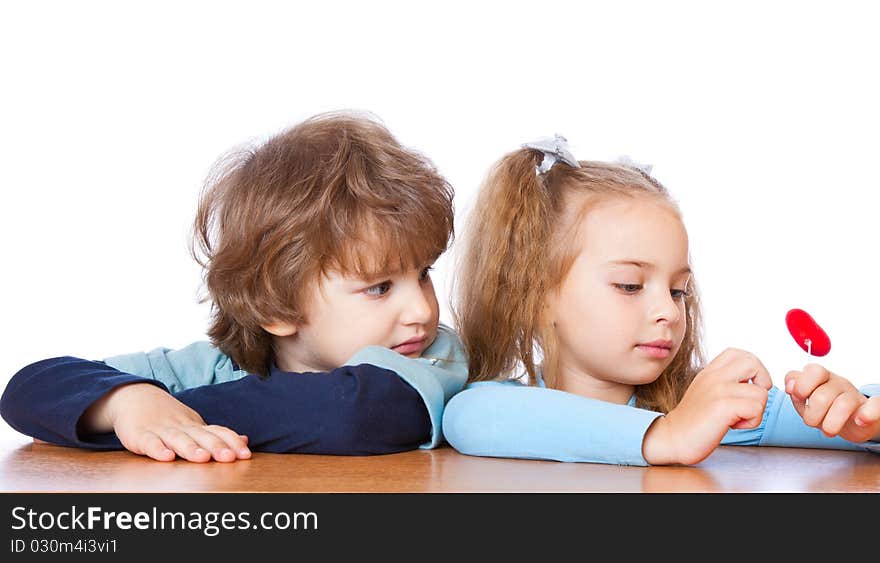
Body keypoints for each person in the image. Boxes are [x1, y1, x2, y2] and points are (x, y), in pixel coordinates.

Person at [1, 111, 467, 463]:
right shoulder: (214, 368)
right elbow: (29, 389)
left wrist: (170, 415)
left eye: (423, 273)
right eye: (380, 287)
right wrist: (131, 403)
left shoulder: (434, 360)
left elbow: (349, 413)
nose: (422, 311)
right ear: (278, 307)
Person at [441, 135, 880, 466]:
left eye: (678, 291)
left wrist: (857, 418)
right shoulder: (498, 408)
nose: (669, 312)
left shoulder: (714, 412)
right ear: (535, 296)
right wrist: (666, 435)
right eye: (630, 286)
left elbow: (863, 412)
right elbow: (468, 416)